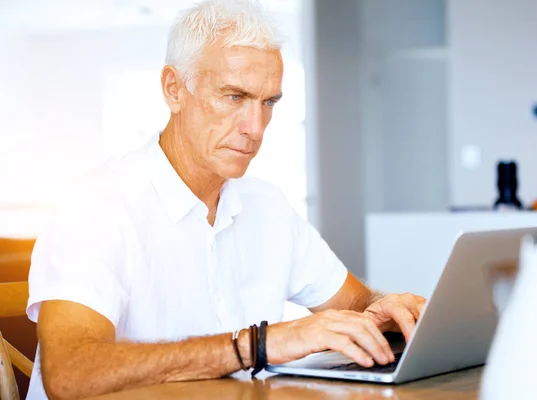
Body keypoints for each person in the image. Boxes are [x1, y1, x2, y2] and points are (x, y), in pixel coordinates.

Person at [25, 1, 426, 399]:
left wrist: (385, 307)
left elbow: (355, 302)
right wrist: (257, 345)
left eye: (268, 102)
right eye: (235, 96)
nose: (255, 129)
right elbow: (71, 375)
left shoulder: (267, 206)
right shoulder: (95, 206)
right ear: (174, 89)